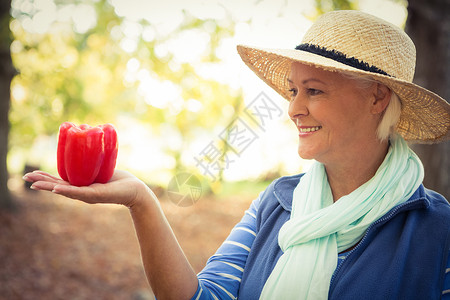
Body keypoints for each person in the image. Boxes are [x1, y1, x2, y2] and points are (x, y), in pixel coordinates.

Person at [23, 10, 450, 300]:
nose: (293, 108)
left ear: (377, 97)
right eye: (293, 90)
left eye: (314, 91)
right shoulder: (276, 204)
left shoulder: (437, 231)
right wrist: (142, 202)